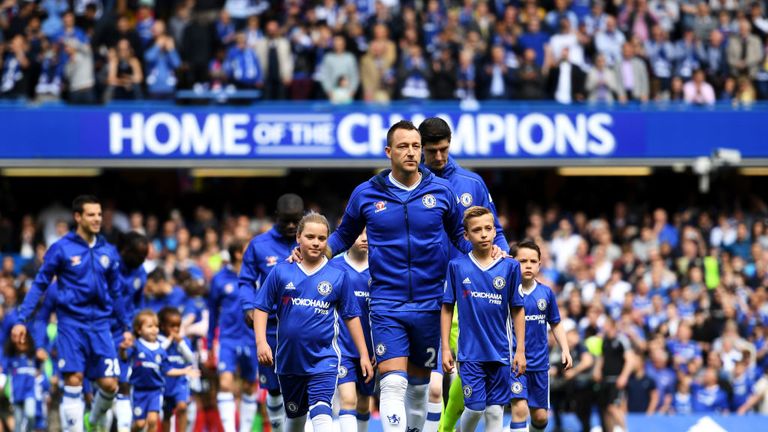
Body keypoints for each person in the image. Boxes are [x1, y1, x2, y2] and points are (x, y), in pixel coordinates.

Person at [299, 120, 505, 432]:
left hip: (430, 304)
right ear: (388, 151)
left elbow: (460, 240)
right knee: (393, 384)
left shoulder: (442, 191)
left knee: (421, 390)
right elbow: (342, 237)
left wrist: (491, 253)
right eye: (403, 146)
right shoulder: (366, 194)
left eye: (414, 146)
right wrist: (313, 255)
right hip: (386, 303)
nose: (410, 152)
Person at [419, 117, 510, 432]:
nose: (440, 157)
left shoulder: (472, 183)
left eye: (444, 149)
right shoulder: (407, 183)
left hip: (465, 294)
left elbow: (494, 231)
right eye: (433, 152)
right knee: (422, 383)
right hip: (419, 291)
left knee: (458, 375)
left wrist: (502, 256)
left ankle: (445, 429)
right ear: (421, 148)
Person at [12, 195, 131, 432]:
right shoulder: (61, 248)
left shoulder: (107, 250)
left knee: (110, 385)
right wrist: (21, 319)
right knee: (74, 379)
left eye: (99, 214)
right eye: (91, 214)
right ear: (78, 217)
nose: (97, 219)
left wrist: (126, 327)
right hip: (71, 324)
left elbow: (116, 292)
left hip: (100, 325)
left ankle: (94, 420)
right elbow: (40, 284)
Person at [253, 213, 373, 432]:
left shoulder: (338, 275)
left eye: (322, 238)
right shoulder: (281, 271)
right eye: (310, 237)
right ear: (298, 237)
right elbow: (261, 307)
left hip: (324, 359)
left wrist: (364, 353)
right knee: (296, 420)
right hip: (289, 360)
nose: (316, 242)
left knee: (321, 409)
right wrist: (261, 342)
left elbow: (351, 316)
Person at [441, 207, 526, 432]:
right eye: (477, 230)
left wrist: (520, 350)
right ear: (466, 235)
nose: (484, 234)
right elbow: (447, 307)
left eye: (488, 228)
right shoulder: (457, 266)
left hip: (500, 352)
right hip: (470, 353)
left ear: (495, 232)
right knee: (476, 408)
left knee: (496, 411)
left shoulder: (510, 266)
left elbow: (517, 309)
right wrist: (445, 349)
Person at [240, 193, 304, 432]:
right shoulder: (259, 245)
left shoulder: (310, 241)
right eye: (285, 221)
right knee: (274, 388)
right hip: (270, 327)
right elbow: (246, 281)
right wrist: (248, 307)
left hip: (303, 325)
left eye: (295, 221)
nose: (290, 226)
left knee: (301, 384)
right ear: (276, 217)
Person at [509, 240, 572, 432]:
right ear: (512, 262)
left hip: (540, 364)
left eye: (532, 261)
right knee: (520, 410)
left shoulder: (546, 293)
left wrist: (565, 349)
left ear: (539, 264)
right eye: (522, 261)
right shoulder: (506, 292)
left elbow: (555, 323)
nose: (528, 265)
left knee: (541, 417)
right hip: (514, 363)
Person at [209, 240, 260, 432]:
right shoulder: (219, 279)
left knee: (249, 386)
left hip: (251, 338)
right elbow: (212, 313)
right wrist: (208, 345)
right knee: (225, 383)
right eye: (248, 249)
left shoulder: (257, 276)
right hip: (228, 339)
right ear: (239, 254)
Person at [121, 310, 199, 432]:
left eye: (156, 326)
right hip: (139, 390)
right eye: (150, 326)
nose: (154, 329)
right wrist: (122, 350)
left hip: (155, 391)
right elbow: (125, 358)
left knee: (153, 421)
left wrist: (184, 371)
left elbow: (166, 369)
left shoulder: (161, 350)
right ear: (139, 329)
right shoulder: (136, 346)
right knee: (140, 424)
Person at [329, 230, 375, 432]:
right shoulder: (334, 266)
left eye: (368, 233)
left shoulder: (380, 267)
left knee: (364, 402)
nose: (364, 238)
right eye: (359, 233)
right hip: (343, 348)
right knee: (348, 399)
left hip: (372, 349)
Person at [112, 232, 150, 432]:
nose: (142, 261)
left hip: (125, 332)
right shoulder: (110, 266)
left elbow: (138, 303)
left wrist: (136, 330)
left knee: (125, 380)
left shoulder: (140, 272)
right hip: (103, 329)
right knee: (104, 384)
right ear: (125, 250)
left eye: (145, 256)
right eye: (139, 256)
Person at [158, 307, 197, 432]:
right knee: (167, 414)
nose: (175, 329)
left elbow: (191, 358)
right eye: (172, 326)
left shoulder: (184, 341)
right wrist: (169, 341)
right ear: (163, 326)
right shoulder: (159, 341)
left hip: (180, 382)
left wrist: (180, 343)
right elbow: (157, 354)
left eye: (178, 325)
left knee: (182, 406)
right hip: (165, 383)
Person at [4, 328, 38, 432]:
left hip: (30, 393)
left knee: (31, 414)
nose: (21, 342)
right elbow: (5, 372)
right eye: (18, 340)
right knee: (18, 421)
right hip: (17, 394)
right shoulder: (11, 358)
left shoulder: (33, 357)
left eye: (24, 339)